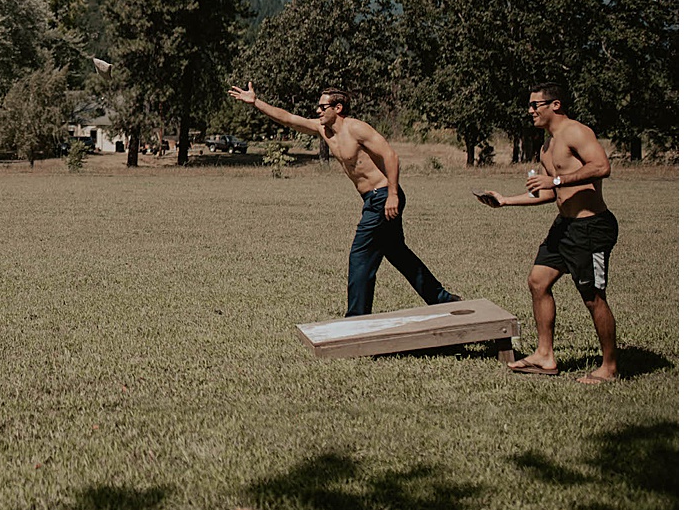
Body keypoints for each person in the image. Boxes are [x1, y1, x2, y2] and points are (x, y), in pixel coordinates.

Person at [228, 83, 462, 316]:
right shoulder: (324, 130)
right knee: (397, 253)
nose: (318, 111)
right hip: (371, 198)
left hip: (383, 196)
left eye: (323, 107)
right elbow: (289, 119)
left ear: (338, 108)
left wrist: (392, 194)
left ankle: (356, 318)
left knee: (360, 256)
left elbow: (391, 156)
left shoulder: (357, 129)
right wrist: (256, 102)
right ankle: (442, 299)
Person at [474, 83, 619, 384]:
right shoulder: (546, 147)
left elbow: (602, 166)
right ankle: (544, 355)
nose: (530, 111)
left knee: (592, 297)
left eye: (535, 105)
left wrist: (556, 180)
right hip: (564, 226)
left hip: (591, 226)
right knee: (538, 281)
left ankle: (609, 367)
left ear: (555, 105)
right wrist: (505, 201)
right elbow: (549, 193)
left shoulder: (576, 132)